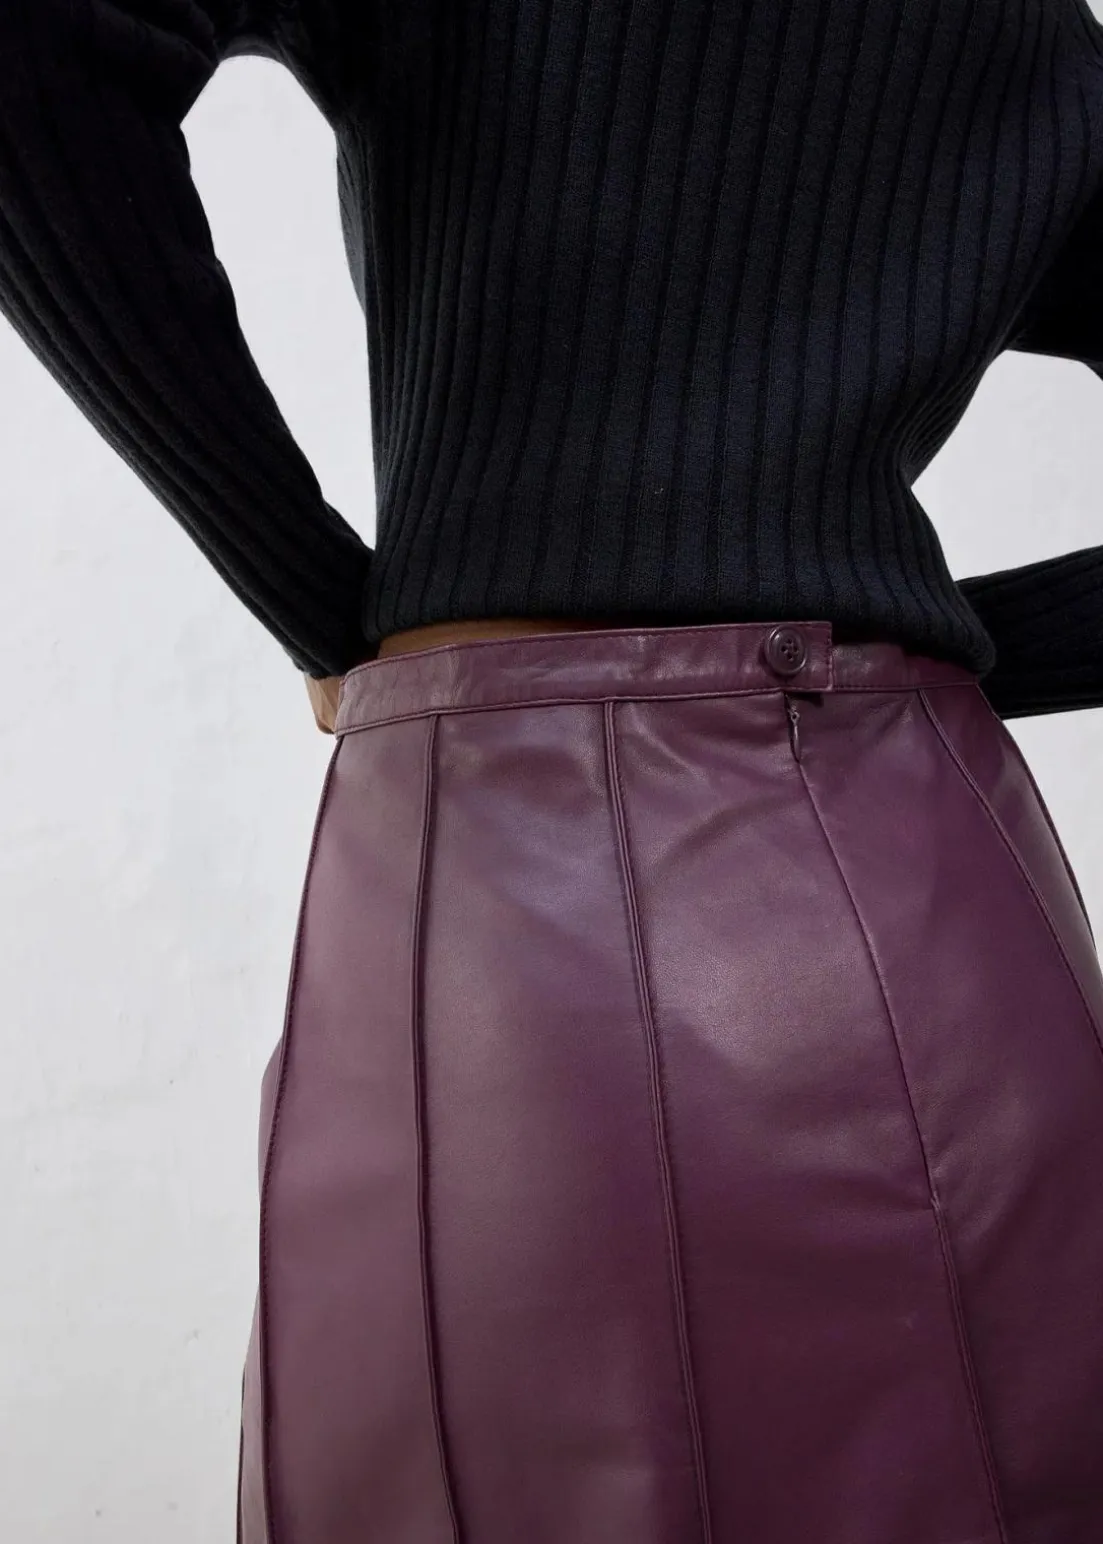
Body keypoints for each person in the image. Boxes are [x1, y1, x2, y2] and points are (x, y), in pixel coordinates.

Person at [2, 2, 1103, 1540]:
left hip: (507, 893)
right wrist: (925, 644)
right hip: (936, 897)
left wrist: (330, 605)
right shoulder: (1039, 41)